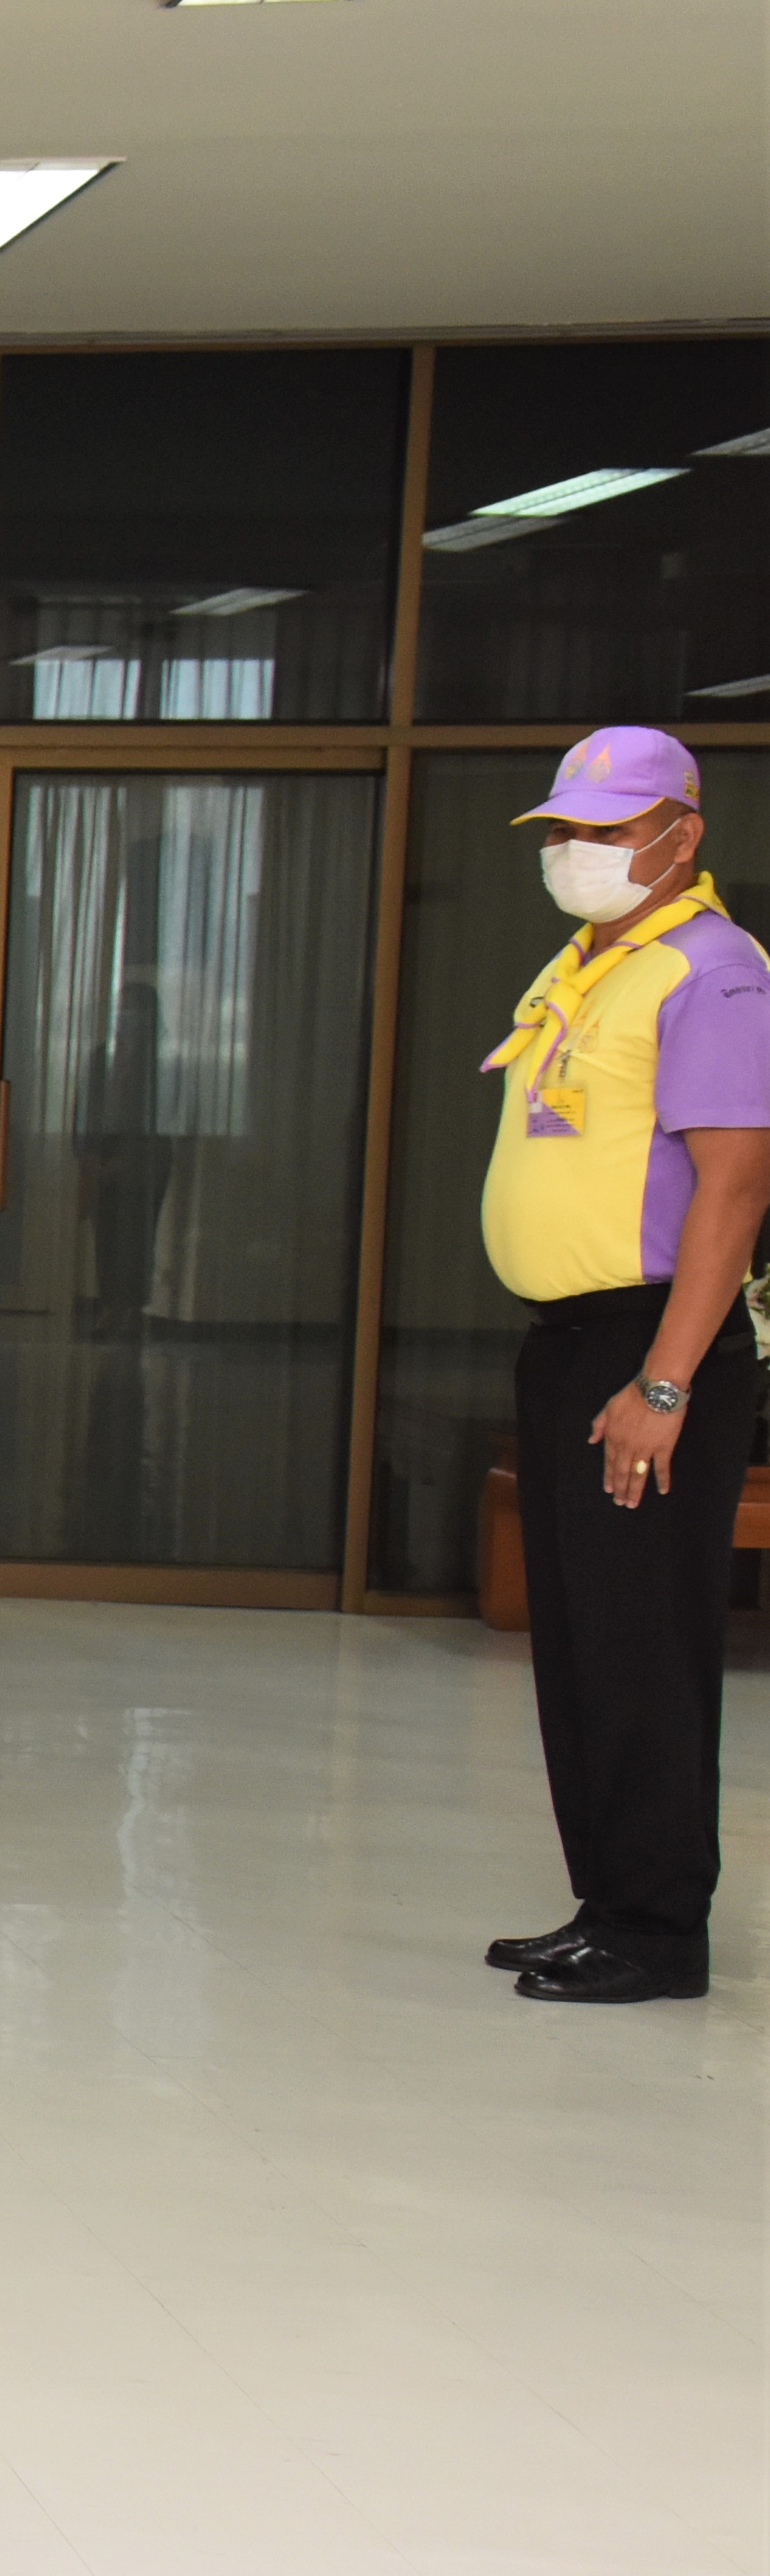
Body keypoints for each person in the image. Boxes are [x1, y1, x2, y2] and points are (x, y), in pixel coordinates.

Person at [476, 729, 770, 2008]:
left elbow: (735, 1185)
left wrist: (663, 1383)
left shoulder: (713, 972)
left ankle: (655, 1930)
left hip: (651, 1344)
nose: (574, 851)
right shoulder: (589, 963)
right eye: (563, 830)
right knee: (584, 1641)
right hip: (571, 1342)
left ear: (679, 835)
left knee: (643, 1643)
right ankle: (605, 1903)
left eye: (605, 830)